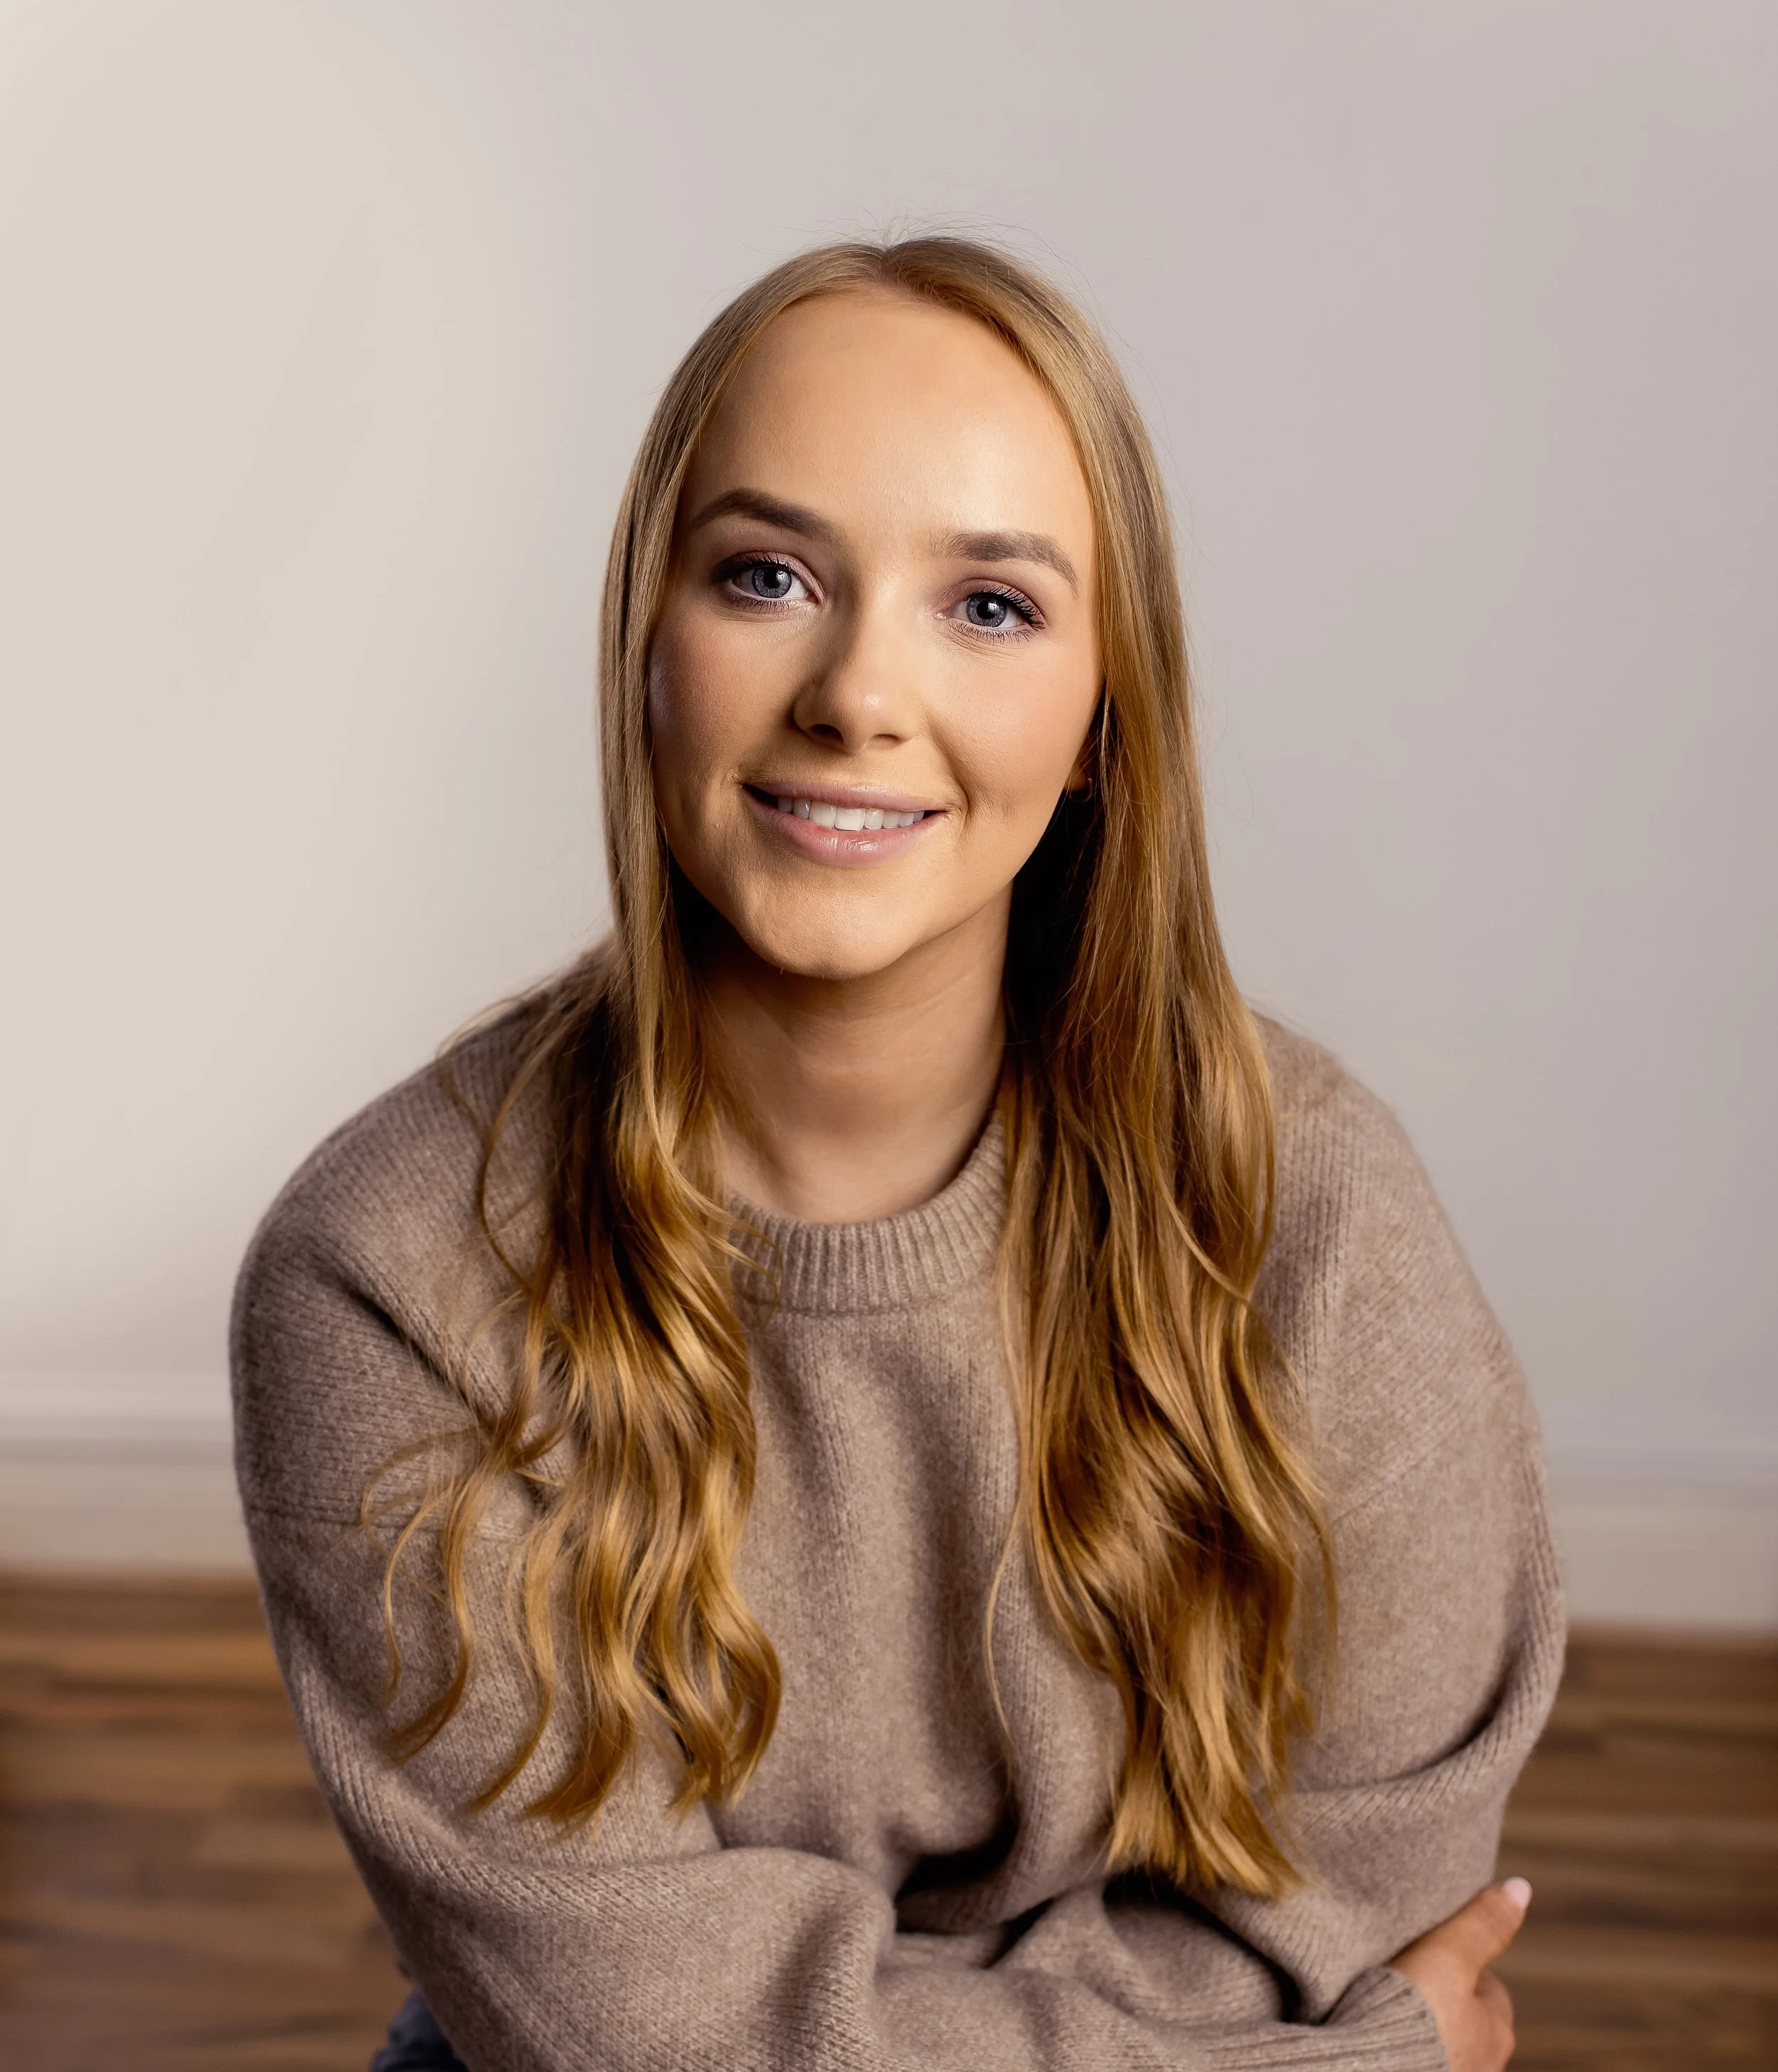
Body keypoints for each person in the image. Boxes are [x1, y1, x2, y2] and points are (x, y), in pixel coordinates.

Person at [231, 238, 1563, 2072]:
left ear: (1108, 713)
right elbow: (626, 2036)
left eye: (992, 606)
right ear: (647, 641)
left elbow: (1375, 1882)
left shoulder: (1315, 1211)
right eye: (765, 578)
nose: (858, 693)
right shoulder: (385, 1278)